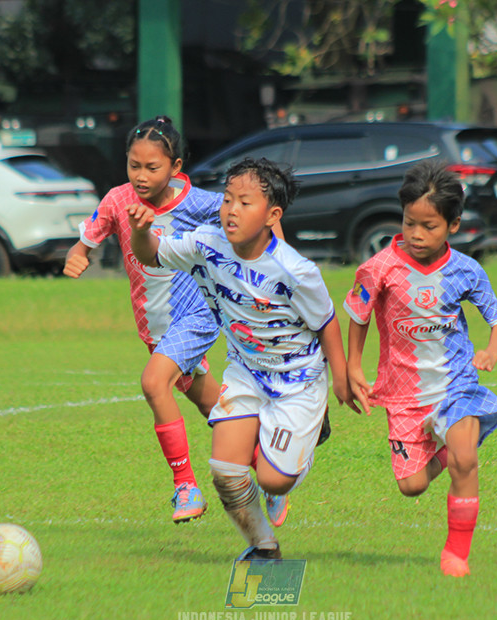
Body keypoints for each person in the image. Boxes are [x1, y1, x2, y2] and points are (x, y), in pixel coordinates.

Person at [129, 157, 356, 559]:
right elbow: (150, 256)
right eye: (228, 199)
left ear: (273, 215)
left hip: (298, 379)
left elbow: (327, 323)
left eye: (245, 203)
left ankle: (313, 426)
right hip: (246, 372)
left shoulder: (294, 270)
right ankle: (264, 547)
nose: (231, 210)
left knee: (273, 480)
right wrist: (140, 230)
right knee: (226, 472)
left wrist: (340, 377)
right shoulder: (205, 244)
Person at [344, 160, 497, 577]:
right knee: (412, 486)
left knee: (466, 461)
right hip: (403, 393)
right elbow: (358, 315)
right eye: (410, 222)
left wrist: (491, 352)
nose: (417, 234)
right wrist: (352, 367)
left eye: (429, 226)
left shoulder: (467, 271)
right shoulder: (380, 267)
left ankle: (456, 553)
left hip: (457, 385)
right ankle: (447, 448)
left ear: (453, 225)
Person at [63, 116, 230, 524]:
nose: (140, 175)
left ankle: (185, 486)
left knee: (154, 383)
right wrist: (79, 254)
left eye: (151, 167)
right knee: (211, 403)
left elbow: (246, 212)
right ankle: (265, 464)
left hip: (196, 314)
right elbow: (92, 234)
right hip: (154, 325)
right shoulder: (118, 200)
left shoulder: (198, 203)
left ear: (175, 167)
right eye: (133, 165)